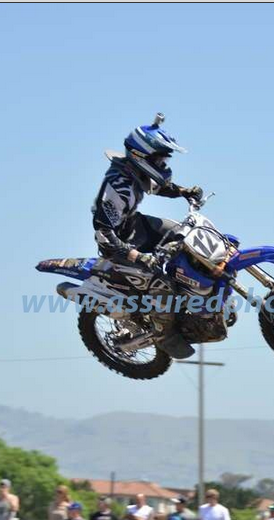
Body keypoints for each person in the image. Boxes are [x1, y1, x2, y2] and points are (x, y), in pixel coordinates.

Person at [91, 113, 204, 359]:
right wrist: (137, 256)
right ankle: (164, 334)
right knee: (160, 282)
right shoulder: (117, 186)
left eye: (164, 159)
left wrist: (184, 191)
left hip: (136, 225)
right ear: (141, 155)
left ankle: (194, 296)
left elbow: (158, 186)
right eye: (159, 158)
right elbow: (103, 232)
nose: (163, 164)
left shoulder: (135, 170)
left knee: (184, 235)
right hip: (118, 245)